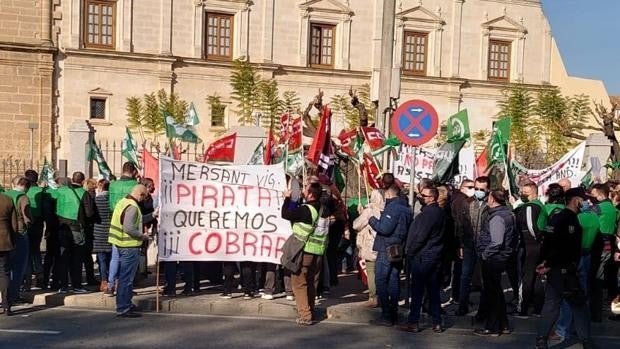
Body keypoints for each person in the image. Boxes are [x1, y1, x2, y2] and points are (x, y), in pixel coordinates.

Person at [536, 188, 592, 349]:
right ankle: (586, 340)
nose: (586, 203)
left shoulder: (557, 217)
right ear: (576, 200)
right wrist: (548, 263)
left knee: (552, 304)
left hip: (556, 268)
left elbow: (547, 243)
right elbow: (562, 247)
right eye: (584, 200)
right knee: (578, 304)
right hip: (565, 269)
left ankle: (541, 338)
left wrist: (544, 263)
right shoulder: (569, 220)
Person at [400, 186, 445, 333]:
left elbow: (421, 236)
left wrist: (410, 252)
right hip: (433, 256)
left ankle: (414, 322)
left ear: (432, 197)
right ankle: (437, 322)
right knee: (433, 291)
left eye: (424, 195)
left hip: (423, 256)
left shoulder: (430, 214)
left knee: (418, 290)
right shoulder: (438, 212)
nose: (421, 197)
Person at [474, 189, 516, 336]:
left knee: (493, 294)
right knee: (497, 293)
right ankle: (503, 324)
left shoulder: (497, 217)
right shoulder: (507, 213)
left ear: (492, 198)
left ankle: (493, 327)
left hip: (494, 258)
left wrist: (485, 254)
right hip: (499, 257)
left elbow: (497, 241)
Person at [281, 182, 324, 325]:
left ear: (311, 194)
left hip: (304, 252)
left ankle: (305, 316)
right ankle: (310, 309)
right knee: (311, 283)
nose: (303, 191)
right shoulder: (322, 208)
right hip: (318, 252)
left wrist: (287, 198)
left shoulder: (306, 210)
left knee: (299, 284)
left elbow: (285, 214)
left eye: (305, 189)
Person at [368, 186, 412, 326]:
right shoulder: (406, 208)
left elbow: (385, 228)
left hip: (387, 247)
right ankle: (393, 311)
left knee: (381, 279)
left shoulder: (394, 208)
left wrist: (372, 220)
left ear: (388, 193)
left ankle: (386, 314)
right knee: (394, 278)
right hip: (398, 248)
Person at [108, 184, 150, 318]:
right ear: (140, 194)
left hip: (119, 244)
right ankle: (123, 307)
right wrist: (142, 236)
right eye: (144, 197)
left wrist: (152, 215)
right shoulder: (133, 207)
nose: (144, 200)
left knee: (124, 278)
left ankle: (124, 304)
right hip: (129, 246)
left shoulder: (123, 202)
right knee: (126, 279)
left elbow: (136, 221)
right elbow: (129, 228)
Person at [52, 172, 96, 293]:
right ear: (83, 181)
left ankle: (63, 285)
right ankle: (77, 285)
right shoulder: (84, 193)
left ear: (72, 180)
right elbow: (89, 213)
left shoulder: (61, 192)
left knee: (63, 257)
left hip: (62, 227)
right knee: (77, 258)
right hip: (77, 228)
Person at [456, 176, 490, 316]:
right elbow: (460, 225)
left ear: (488, 189)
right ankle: (462, 305)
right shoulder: (467, 203)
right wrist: (461, 244)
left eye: (481, 189)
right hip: (469, 245)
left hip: (485, 247)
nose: (478, 191)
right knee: (465, 276)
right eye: (476, 188)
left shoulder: (491, 204)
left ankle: (484, 308)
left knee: (485, 278)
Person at [514, 182, 548, 318]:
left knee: (527, 277)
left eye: (525, 192)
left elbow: (531, 226)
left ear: (534, 193)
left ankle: (523, 309)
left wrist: (535, 238)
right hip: (538, 244)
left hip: (530, 244)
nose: (522, 194)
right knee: (538, 276)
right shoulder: (540, 205)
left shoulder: (530, 206)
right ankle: (537, 309)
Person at [105, 162, 138, 296]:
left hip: (114, 220)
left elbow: (109, 203)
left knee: (115, 256)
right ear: (134, 171)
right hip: (131, 221)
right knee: (128, 258)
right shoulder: (135, 185)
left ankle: (111, 284)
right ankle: (125, 286)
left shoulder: (113, 185)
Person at [589, 183, 619, 322]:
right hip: (609, 246)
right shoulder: (613, 209)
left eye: (593, 195)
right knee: (601, 277)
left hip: (597, 246)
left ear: (600, 195)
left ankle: (595, 312)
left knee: (595, 279)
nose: (590, 198)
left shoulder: (597, 208)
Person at [353, 190, 384, 308]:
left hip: (370, 244)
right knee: (381, 272)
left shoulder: (369, 210)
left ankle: (373, 297)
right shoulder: (386, 209)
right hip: (382, 244)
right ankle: (383, 296)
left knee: (371, 271)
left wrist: (361, 214)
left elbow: (356, 225)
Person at [5, 176, 32, 305]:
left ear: (13, 184)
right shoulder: (23, 197)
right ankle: (14, 295)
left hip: (5, 233)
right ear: (26, 186)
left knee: (5, 267)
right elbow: (27, 217)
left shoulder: (4, 195)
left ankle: (4, 296)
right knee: (18, 266)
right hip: (20, 233)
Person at [450, 179, 475, 305]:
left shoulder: (461, 200)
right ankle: (458, 296)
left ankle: (458, 295)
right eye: (470, 187)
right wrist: (460, 243)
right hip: (462, 240)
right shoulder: (461, 201)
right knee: (461, 271)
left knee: (460, 270)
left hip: (460, 240)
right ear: (463, 187)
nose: (473, 189)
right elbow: (461, 223)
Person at [24, 169, 44, 289]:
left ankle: (27, 280)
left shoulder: (24, 191)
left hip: (26, 223)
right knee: (35, 250)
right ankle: (40, 276)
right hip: (38, 223)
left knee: (26, 251)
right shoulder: (41, 191)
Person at [93, 179, 112, 292]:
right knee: (111, 258)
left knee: (101, 259)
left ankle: (103, 281)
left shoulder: (97, 200)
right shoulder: (112, 200)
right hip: (110, 231)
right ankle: (111, 280)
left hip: (99, 231)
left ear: (100, 187)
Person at [0, 192, 18, 316]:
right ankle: (6, 305)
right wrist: (14, 240)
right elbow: (14, 224)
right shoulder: (7, 199)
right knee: (4, 273)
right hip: (4, 240)